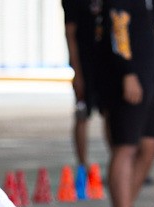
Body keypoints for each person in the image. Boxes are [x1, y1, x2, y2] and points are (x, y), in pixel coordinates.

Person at [96, 0, 154, 207]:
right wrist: (127, 72)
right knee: (126, 146)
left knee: (152, 143)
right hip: (127, 78)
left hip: (151, 76)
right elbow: (118, 31)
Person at [62, 0, 104, 168]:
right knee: (82, 113)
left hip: (108, 65)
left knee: (112, 115)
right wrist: (77, 73)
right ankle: (82, 163)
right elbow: (70, 34)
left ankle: (117, 161)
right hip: (85, 64)